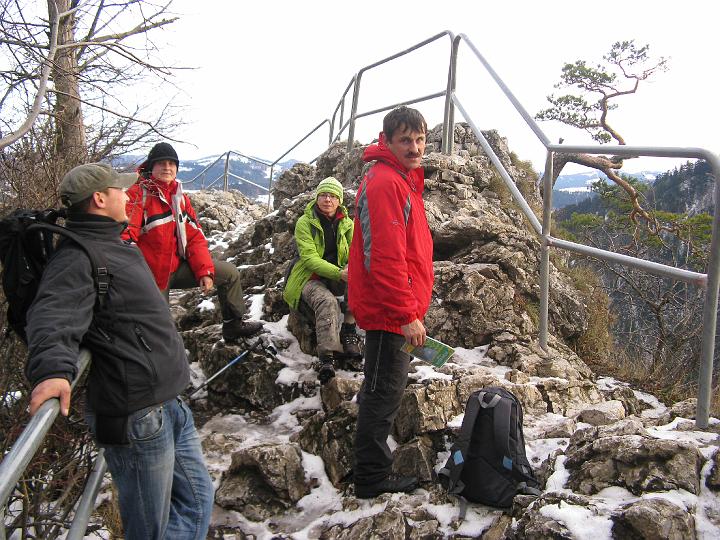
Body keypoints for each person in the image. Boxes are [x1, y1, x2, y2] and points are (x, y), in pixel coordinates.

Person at [25, 163, 214, 539]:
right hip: (137, 414)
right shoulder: (78, 256)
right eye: (119, 190)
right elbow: (52, 315)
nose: (127, 196)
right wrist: (52, 371)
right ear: (99, 198)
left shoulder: (115, 243)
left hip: (167, 402)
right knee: (148, 530)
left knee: (197, 501)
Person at [348, 106, 434, 499]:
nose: (415, 148)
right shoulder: (386, 182)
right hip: (389, 311)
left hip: (394, 307)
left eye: (420, 139)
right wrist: (406, 314)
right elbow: (384, 257)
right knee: (383, 391)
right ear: (387, 141)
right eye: (405, 140)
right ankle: (370, 477)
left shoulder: (401, 178)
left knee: (381, 386)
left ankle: (369, 468)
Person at [123, 142, 262, 341]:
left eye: (172, 163)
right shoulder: (137, 195)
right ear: (151, 167)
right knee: (161, 332)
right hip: (150, 275)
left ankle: (233, 325)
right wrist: (136, 278)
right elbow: (126, 238)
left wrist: (204, 271)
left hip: (175, 267)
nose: (167, 168)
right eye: (161, 163)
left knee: (229, 273)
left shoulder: (179, 197)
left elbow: (195, 237)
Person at [283, 176, 362, 384]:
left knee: (359, 283)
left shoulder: (348, 224)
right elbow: (309, 259)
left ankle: (349, 330)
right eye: (324, 195)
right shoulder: (305, 222)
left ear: (339, 200)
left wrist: (351, 269)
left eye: (333, 196)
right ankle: (328, 356)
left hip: (336, 274)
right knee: (327, 302)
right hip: (309, 277)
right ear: (317, 198)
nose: (328, 200)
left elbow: (355, 252)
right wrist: (339, 273)